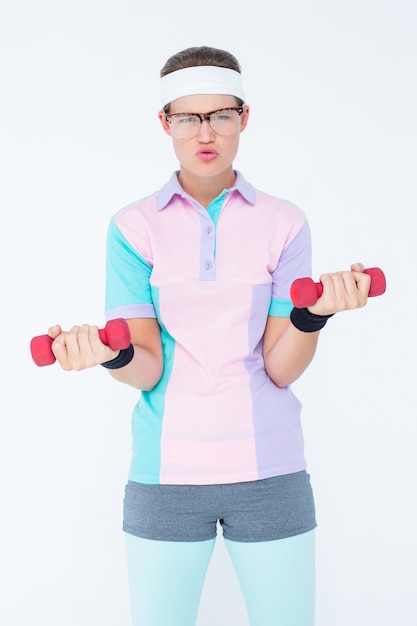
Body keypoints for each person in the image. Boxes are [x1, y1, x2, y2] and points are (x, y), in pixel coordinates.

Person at [47, 46, 372, 626]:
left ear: (243, 118)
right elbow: (145, 367)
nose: (205, 132)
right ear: (164, 122)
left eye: (220, 115)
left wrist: (312, 316)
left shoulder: (285, 222)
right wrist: (110, 352)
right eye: (187, 117)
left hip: (270, 471)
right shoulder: (131, 228)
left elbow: (280, 368)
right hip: (165, 477)